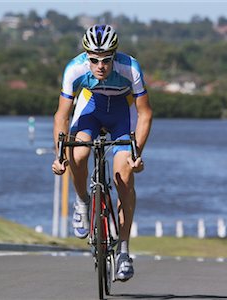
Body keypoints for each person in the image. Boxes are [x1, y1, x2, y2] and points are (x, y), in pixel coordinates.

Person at [52, 24, 152, 281]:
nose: (100, 66)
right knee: (79, 153)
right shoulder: (74, 69)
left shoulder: (130, 68)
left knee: (124, 177)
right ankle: (83, 201)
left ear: (114, 56)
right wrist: (59, 155)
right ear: (86, 56)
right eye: (94, 60)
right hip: (91, 111)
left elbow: (145, 113)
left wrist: (136, 152)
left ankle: (124, 251)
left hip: (122, 115)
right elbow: (62, 116)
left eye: (106, 60)